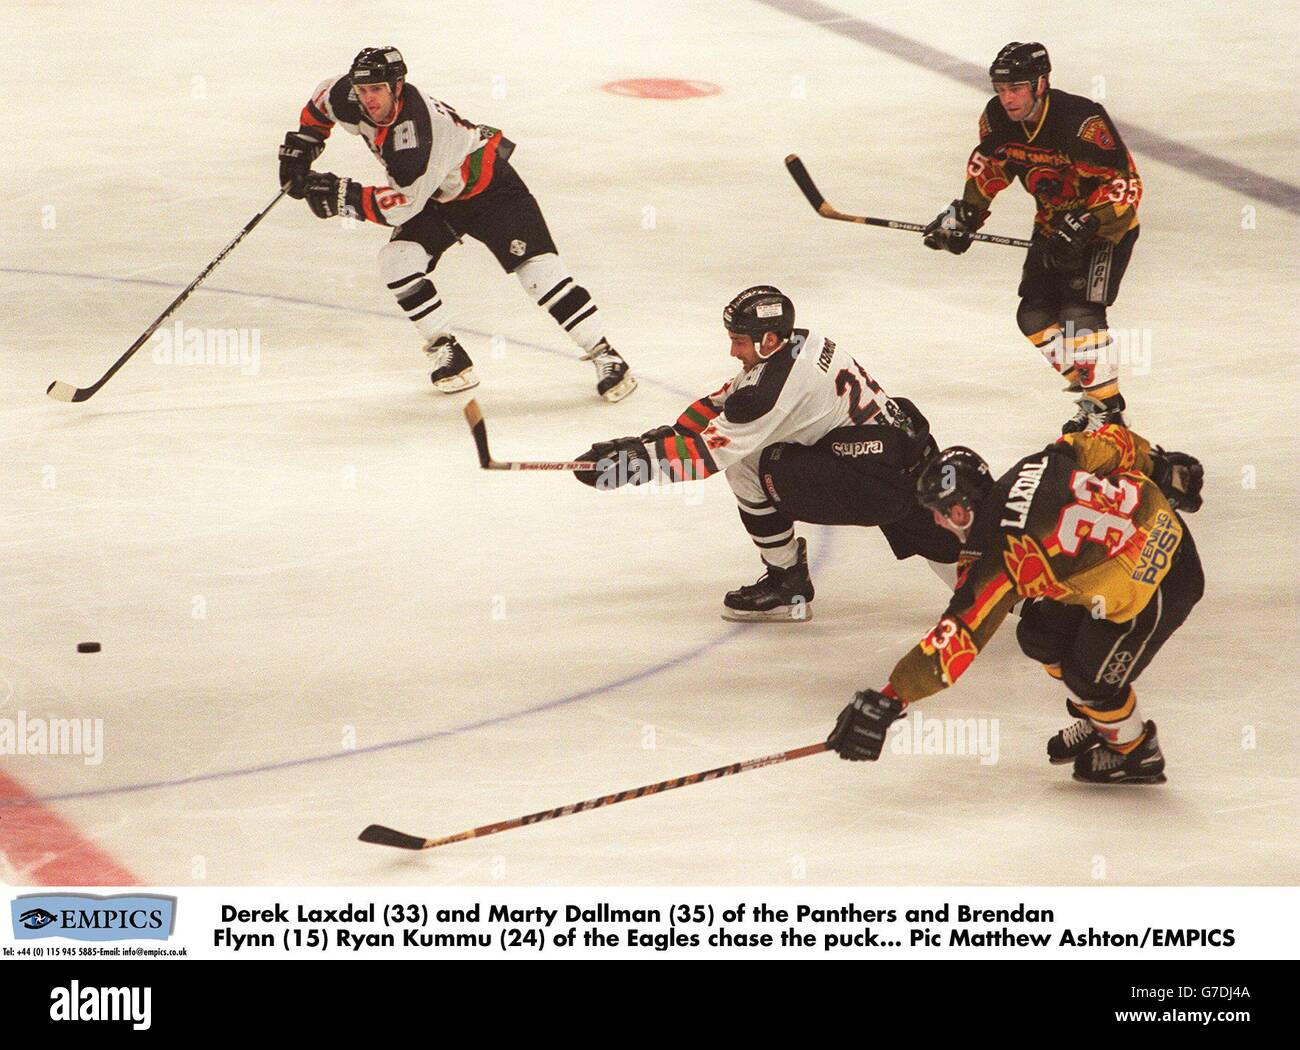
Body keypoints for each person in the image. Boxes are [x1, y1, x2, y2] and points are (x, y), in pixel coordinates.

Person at [827, 424, 1203, 783]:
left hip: (1163, 582)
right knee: (1039, 633)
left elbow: (955, 640)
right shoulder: (1038, 463)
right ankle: (1100, 719)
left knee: (1089, 681)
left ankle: (1134, 751)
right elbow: (1110, 443)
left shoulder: (1001, 558)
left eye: (937, 514)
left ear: (959, 511)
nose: (938, 524)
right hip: (1152, 528)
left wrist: (890, 699)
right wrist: (1163, 469)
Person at [572, 285, 960, 620]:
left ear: (767, 340)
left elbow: (707, 456)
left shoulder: (770, 391)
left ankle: (787, 583)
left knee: (748, 462)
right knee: (949, 551)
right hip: (894, 457)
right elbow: (724, 401)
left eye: (738, 341)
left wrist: (631, 465)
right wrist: (661, 438)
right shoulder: (799, 342)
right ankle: (1007, 594)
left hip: (879, 480)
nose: (732, 350)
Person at [277, 46, 636, 401]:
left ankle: (606, 354)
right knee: (396, 261)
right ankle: (448, 351)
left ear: (397, 86)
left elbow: (400, 206)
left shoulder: (421, 134)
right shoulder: (347, 95)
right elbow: (322, 100)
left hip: (490, 191)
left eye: (377, 90)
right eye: (363, 90)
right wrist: (304, 142)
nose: (368, 99)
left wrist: (342, 196)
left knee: (539, 275)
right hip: (438, 198)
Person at [922, 42, 1142, 433]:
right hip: (1051, 228)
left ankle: (1109, 415)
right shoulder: (996, 120)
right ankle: (1094, 395)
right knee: (1034, 317)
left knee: (1079, 316)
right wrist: (964, 216)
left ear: (1041, 84)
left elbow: (1126, 186)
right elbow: (991, 168)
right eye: (1001, 89)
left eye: (1016, 88)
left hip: (1105, 230)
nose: (1007, 99)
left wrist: (1086, 223)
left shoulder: (1081, 122)